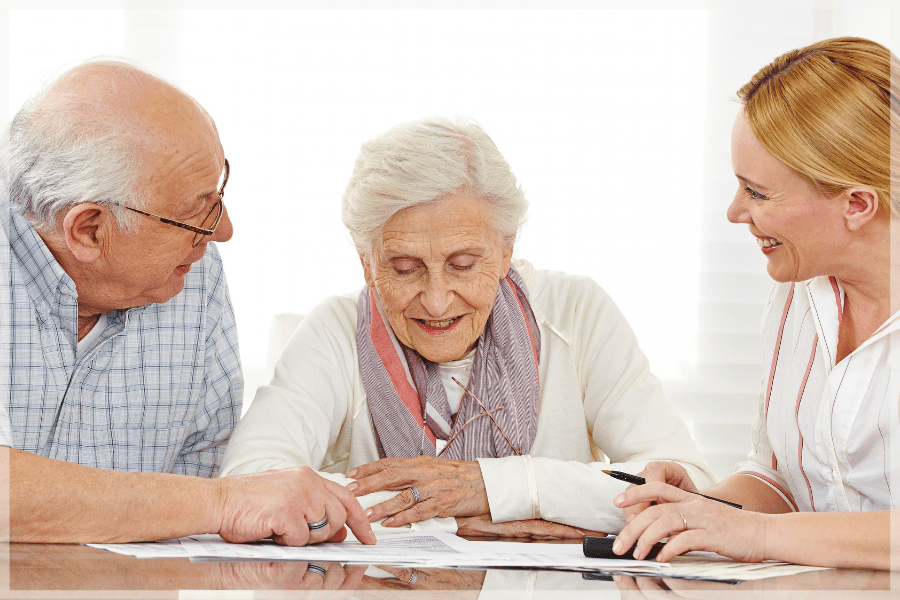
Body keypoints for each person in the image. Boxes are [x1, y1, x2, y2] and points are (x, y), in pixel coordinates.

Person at [220, 116, 715, 537]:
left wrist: (489, 486)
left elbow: (684, 489)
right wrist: (555, 502)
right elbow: (249, 483)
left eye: (462, 264)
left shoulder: (576, 312)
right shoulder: (334, 329)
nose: (436, 301)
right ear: (366, 262)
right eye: (404, 267)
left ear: (506, 249)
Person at [0, 59, 374, 546]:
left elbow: (194, 502)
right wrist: (222, 502)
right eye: (195, 213)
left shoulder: (193, 277)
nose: (222, 230)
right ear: (89, 230)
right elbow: (209, 501)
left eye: (216, 195)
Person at [612, 37, 898, 570]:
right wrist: (703, 509)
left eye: (758, 193)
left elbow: (768, 533)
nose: (734, 211)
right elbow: (782, 478)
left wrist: (758, 535)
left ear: (857, 203)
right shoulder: (796, 294)